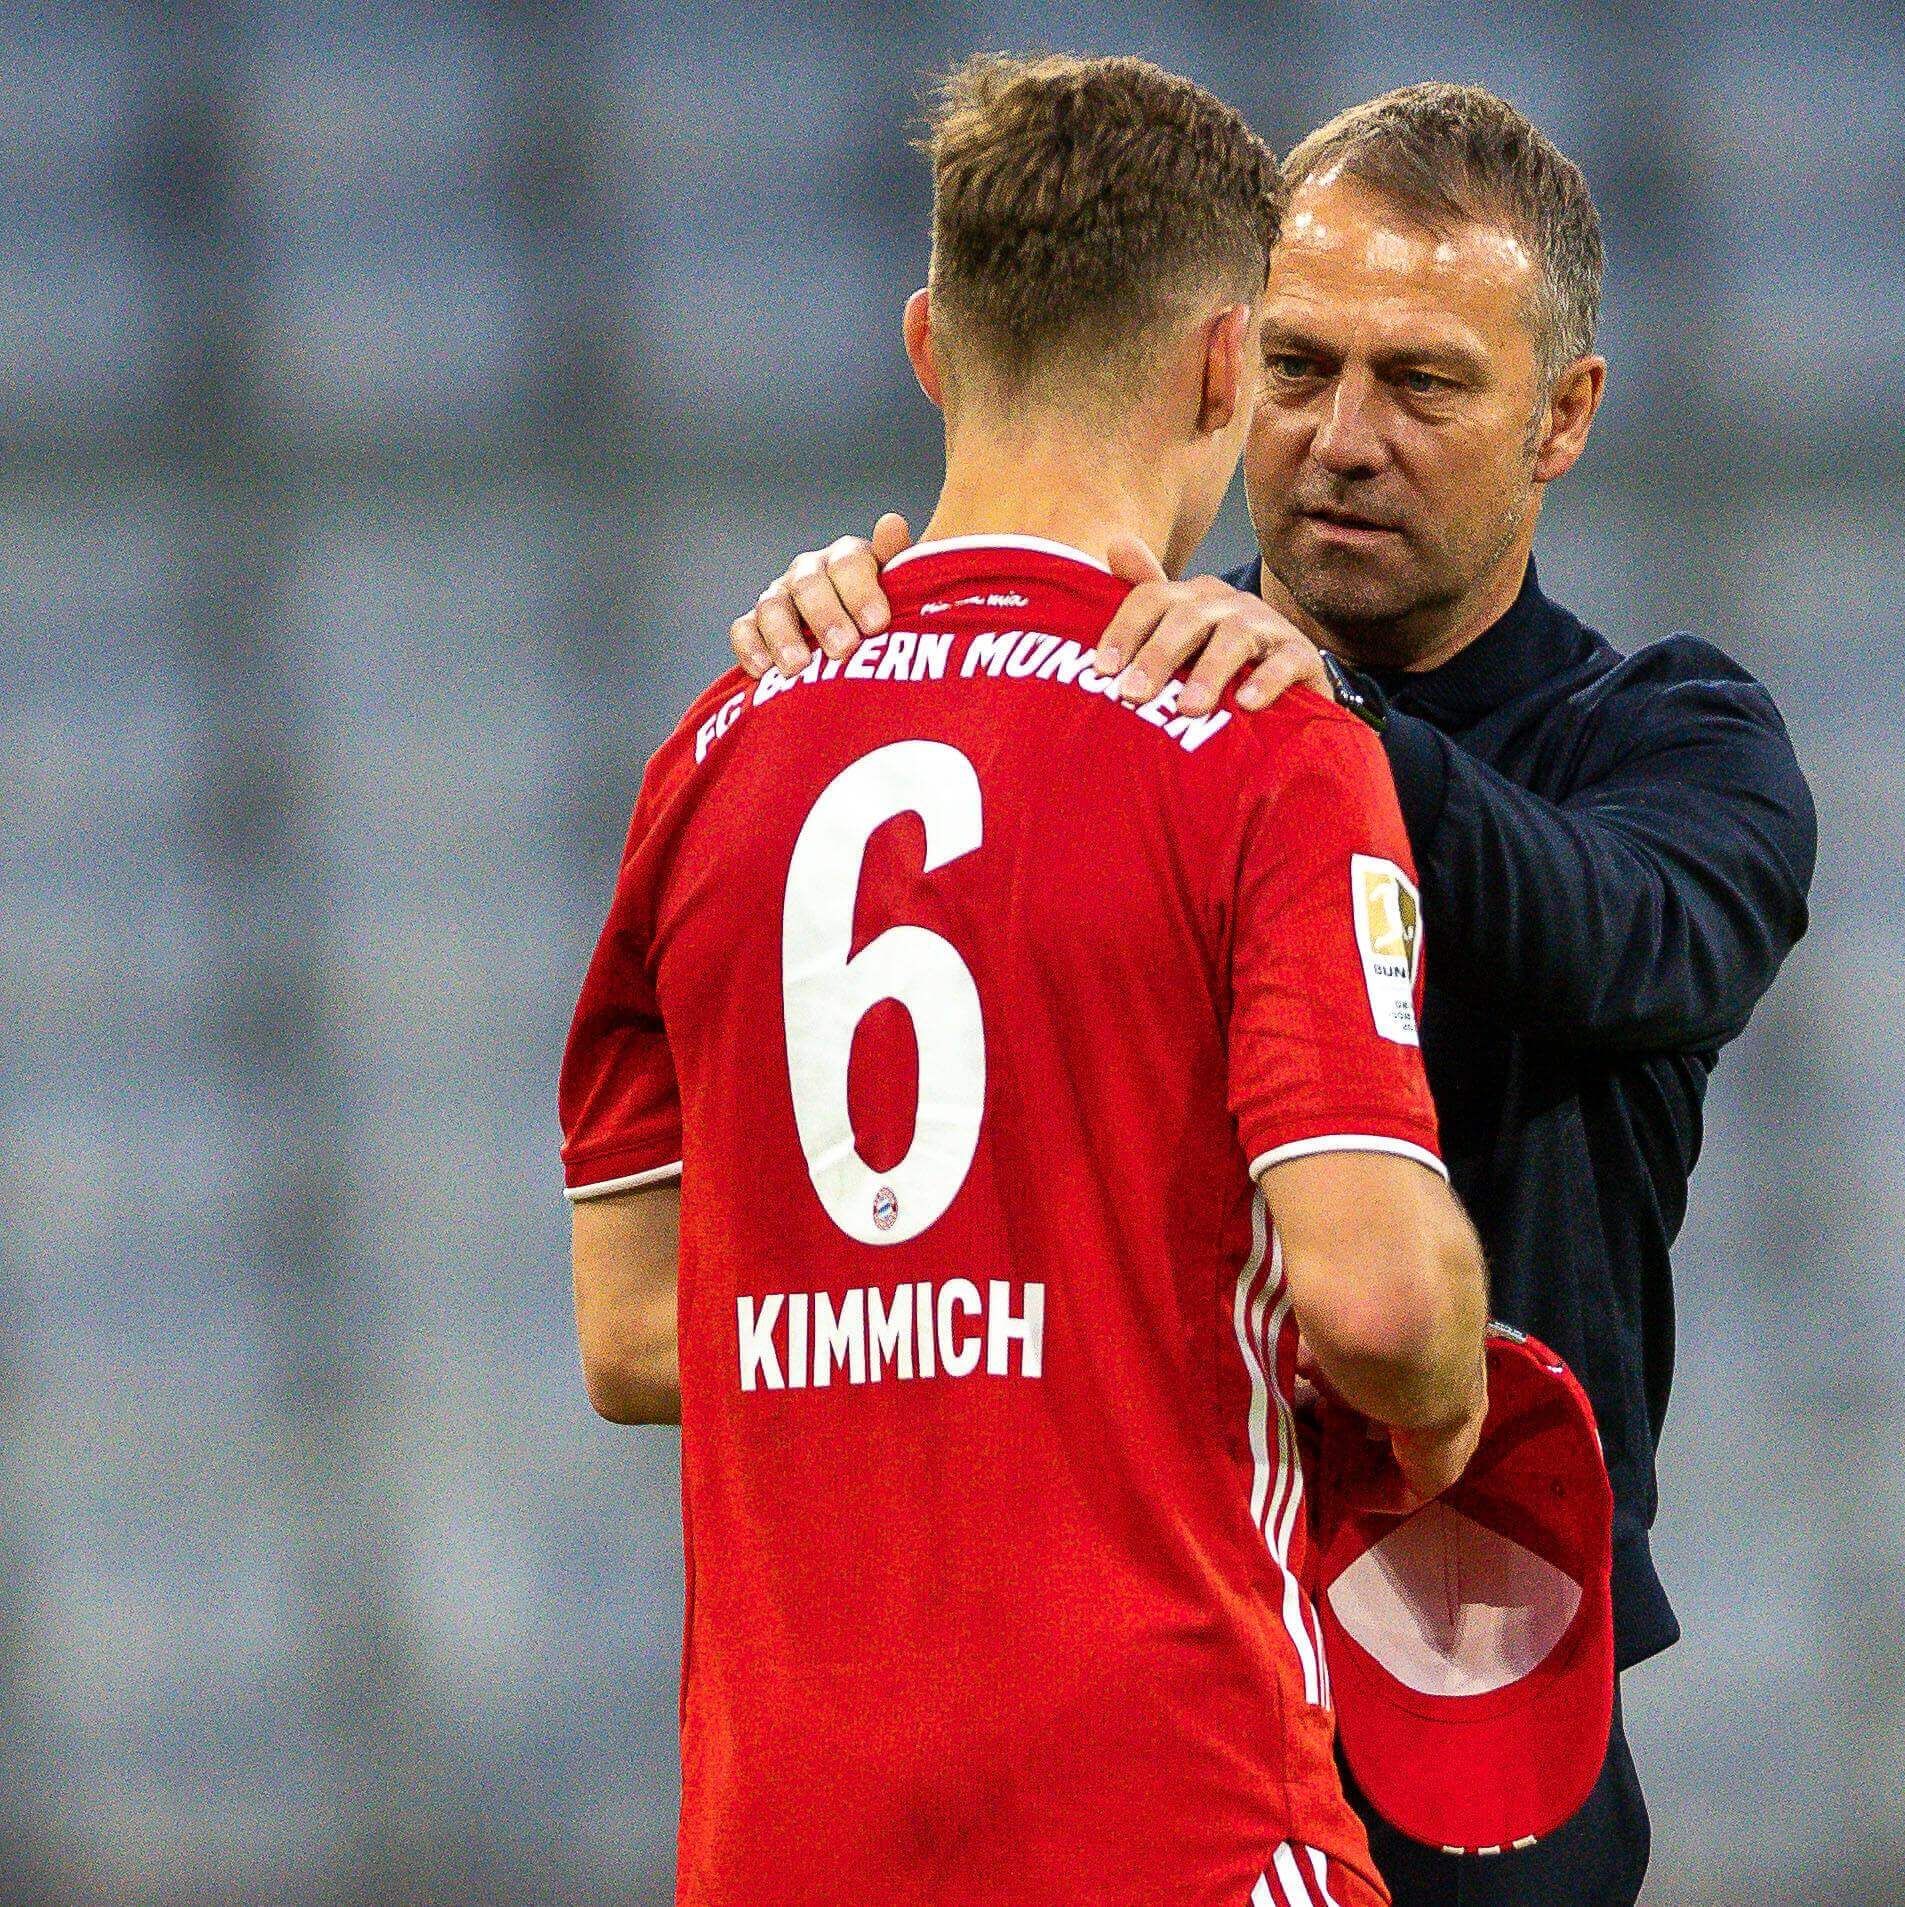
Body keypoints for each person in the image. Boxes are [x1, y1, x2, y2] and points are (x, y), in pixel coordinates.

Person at [731, 84, 1819, 1907]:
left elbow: (1615, 930)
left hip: (1462, 1688)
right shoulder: (1110, 694)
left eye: (1425, 384)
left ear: (1565, 417)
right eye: (1301, 367)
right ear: (1225, 370)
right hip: (1121, 1657)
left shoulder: (1674, 744)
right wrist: (873, 674)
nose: (1343, 441)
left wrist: (1329, 735)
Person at [562, 56, 1489, 1907]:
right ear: (1229, 367)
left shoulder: (721, 743)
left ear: (929, 340)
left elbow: (639, 1332)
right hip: (1170, 1821)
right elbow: (1379, 1306)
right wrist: (1449, 1405)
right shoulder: (1252, 741)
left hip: (787, 1845)